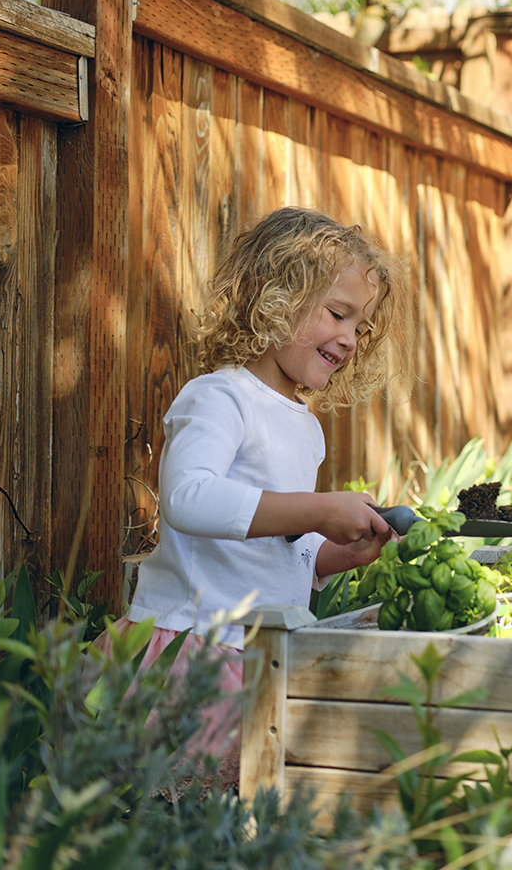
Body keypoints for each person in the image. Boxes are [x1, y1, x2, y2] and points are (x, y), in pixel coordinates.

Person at [99, 206, 415, 780]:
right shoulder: (220, 397)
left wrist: (334, 555)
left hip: (263, 652)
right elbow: (189, 499)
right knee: (181, 816)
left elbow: (276, 546)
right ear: (276, 299)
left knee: (245, 817)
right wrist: (321, 508)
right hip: (198, 648)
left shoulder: (305, 426)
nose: (348, 339)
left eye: (359, 327)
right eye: (337, 315)